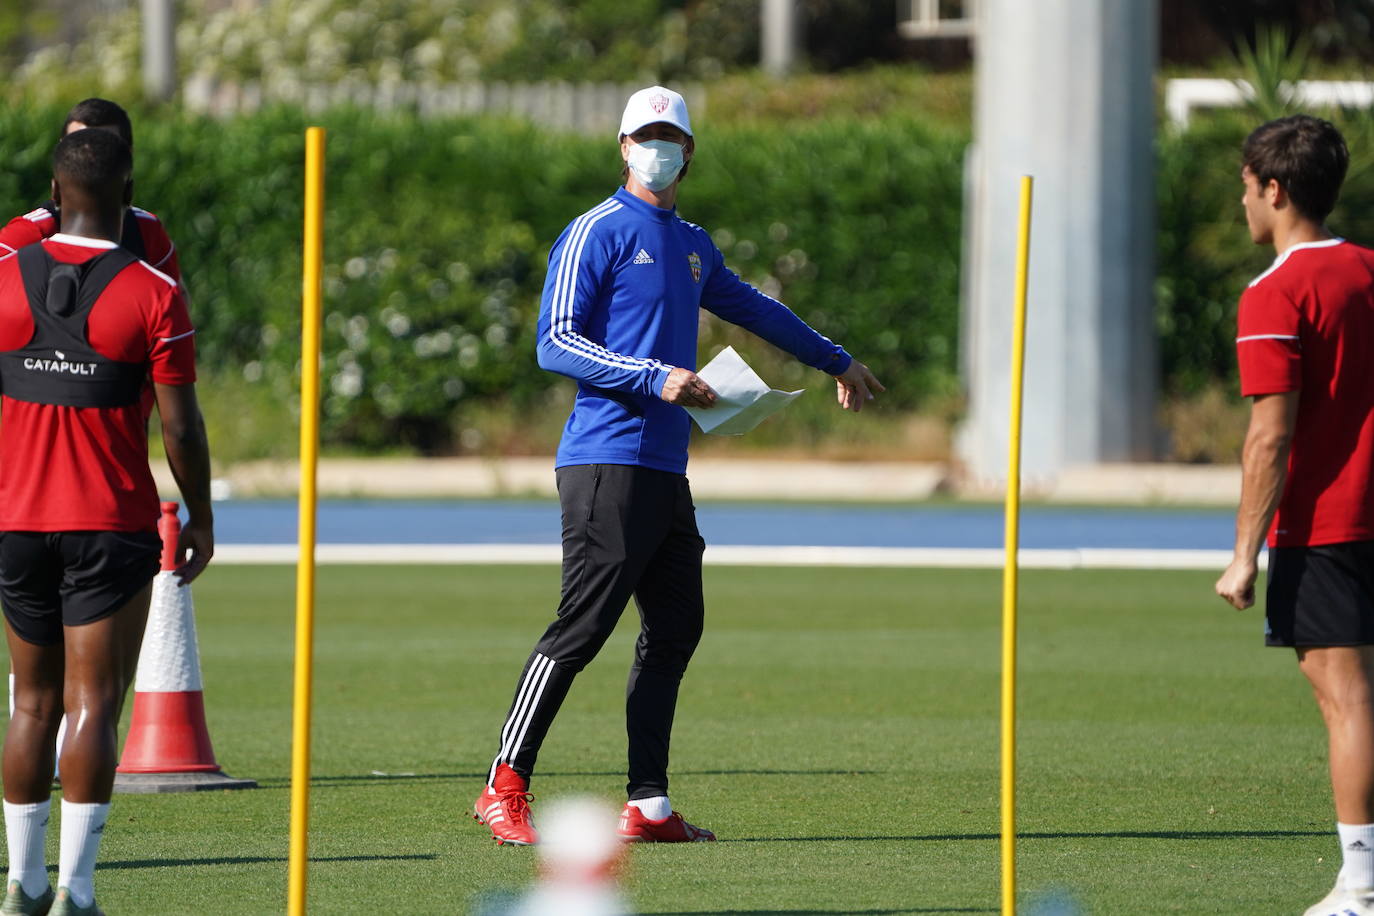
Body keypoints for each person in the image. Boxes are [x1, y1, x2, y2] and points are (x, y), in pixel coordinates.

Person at [473, 86, 883, 846]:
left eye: (671, 136)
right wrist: (651, 374)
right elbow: (554, 341)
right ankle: (503, 785)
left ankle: (648, 806)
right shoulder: (594, 231)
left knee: (675, 627)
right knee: (583, 626)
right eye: (645, 135)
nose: (658, 147)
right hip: (604, 461)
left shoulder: (694, 244)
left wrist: (837, 360)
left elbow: (757, 308)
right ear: (623, 147)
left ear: (688, 151)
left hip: (664, 465)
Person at [0, 129, 213, 915]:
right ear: (128, 200)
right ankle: (76, 891)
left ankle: (19, 885)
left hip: (16, 521)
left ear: (55, 193)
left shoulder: (0, 277)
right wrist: (201, 515)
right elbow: (182, 429)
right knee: (94, 704)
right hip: (109, 523)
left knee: (30, 703)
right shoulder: (156, 291)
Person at [1214, 114, 1374, 916]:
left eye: (1246, 188)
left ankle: (1362, 885)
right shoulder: (1371, 269)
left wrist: (1244, 552)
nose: (1243, 204)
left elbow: (1268, 437)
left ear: (1274, 190)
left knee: (1346, 699)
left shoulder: (1274, 293)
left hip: (1330, 523)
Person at [0, 98, 182, 286]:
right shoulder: (32, 232)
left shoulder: (146, 229)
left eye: (106, 147)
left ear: (128, 156)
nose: (91, 156)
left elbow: (174, 299)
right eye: (78, 145)